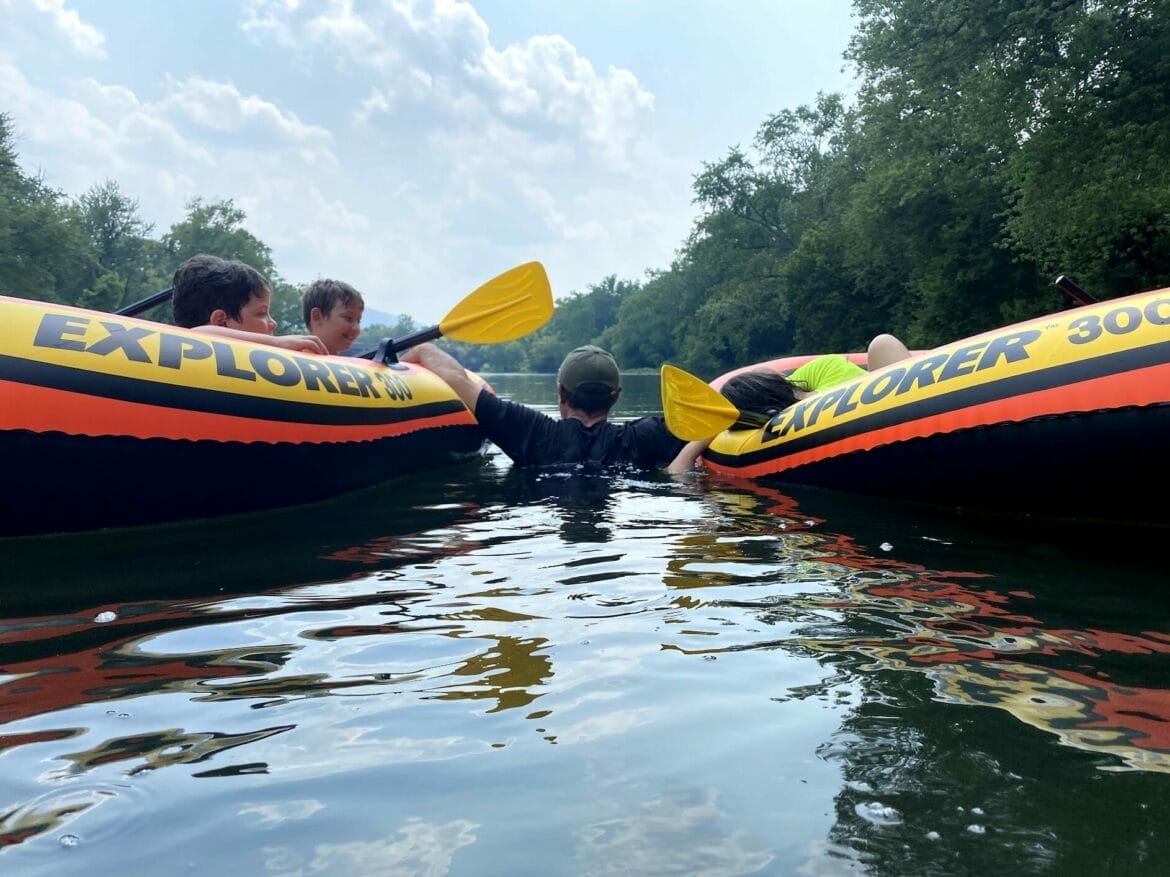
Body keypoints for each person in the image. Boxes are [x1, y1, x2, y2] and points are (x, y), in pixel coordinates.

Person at [399, 342, 687, 469]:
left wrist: (424, 349)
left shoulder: (530, 430)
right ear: (616, 397)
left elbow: (457, 379)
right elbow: (703, 422)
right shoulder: (644, 436)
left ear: (560, 392)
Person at [667, 333, 912, 474]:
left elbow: (676, 472)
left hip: (903, 417)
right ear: (768, 384)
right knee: (881, 343)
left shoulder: (818, 372)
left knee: (881, 345)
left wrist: (709, 433)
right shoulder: (792, 412)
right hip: (893, 431)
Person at [171, 254, 327, 354]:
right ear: (220, 322)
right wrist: (278, 343)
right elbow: (199, 334)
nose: (273, 323)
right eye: (261, 313)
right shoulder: (187, 346)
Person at [303, 278, 364, 355]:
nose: (357, 329)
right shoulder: (294, 362)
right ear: (317, 317)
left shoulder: (345, 365)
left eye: (358, 321)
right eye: (348, 318)